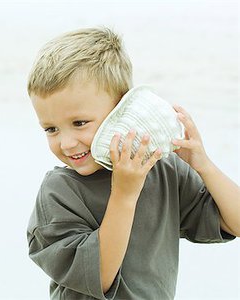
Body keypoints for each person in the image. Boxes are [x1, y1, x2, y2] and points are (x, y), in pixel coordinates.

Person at [26, 27, 239, 299]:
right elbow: (101, 276)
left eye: (79, 123)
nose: (66, 143)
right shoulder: (59, 192)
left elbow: (235, 223)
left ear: (122, 110)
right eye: (51, 129)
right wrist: (125, 193)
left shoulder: (163, 169)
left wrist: (204, 166)